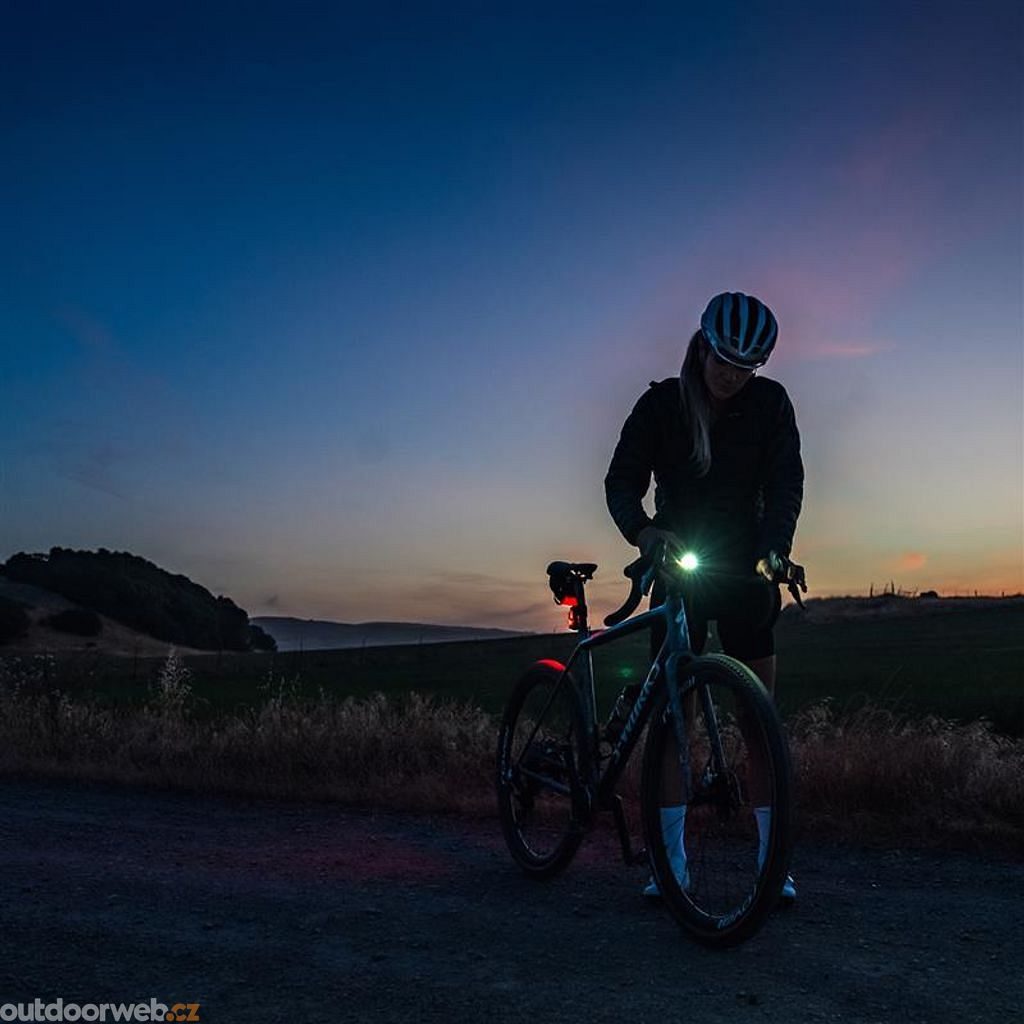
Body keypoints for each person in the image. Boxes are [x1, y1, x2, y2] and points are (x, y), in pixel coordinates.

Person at [604, 291, 803, 901]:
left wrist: (775, 549)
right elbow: (621, 480)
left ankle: (773, 867)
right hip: (678, 568)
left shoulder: (770, 404)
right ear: (702, 347)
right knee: (675, 722)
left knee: (758, 719)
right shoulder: (661, 404)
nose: (732, 375)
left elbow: (786, 482)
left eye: (747, 366)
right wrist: (644, 533)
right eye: (723, 360)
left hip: (744, 572)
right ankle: (670, 868)